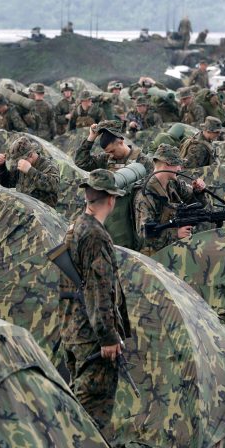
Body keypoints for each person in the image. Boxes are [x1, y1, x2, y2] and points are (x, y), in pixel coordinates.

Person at [58, 169, 130, 433]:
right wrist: (108, 336)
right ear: (111, 199)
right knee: (91, 422)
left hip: (73, 330)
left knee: (79, 409)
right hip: (92, 338)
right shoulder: (96, 236)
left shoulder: (76, 226)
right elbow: (99, 289)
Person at [133, 144, 206, 255]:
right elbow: (144, 235)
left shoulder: (173, 183)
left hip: (173, 247)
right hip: (154, 256)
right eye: (178, 165)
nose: (180, 169)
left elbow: (196, 202)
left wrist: (198, 191)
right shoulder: (145, 195)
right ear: (168, 163)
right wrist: (176, 233)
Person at [0, 136, 60, 207]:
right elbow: (8, 182)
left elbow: (53, 186)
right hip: (25, 210)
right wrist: (0, 166)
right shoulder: (22, 165)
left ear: (30, 155)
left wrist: (30, 171)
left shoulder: (48, 165)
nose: (18, 163)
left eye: (19, 160)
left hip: (43, 214)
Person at [75, 120, 153, 173]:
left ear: (121, 142)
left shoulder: (142, 160)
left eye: (112, 151)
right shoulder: (106, 158)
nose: (111, 155)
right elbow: (81, 163)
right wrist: (91, 138)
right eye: (108, 152)